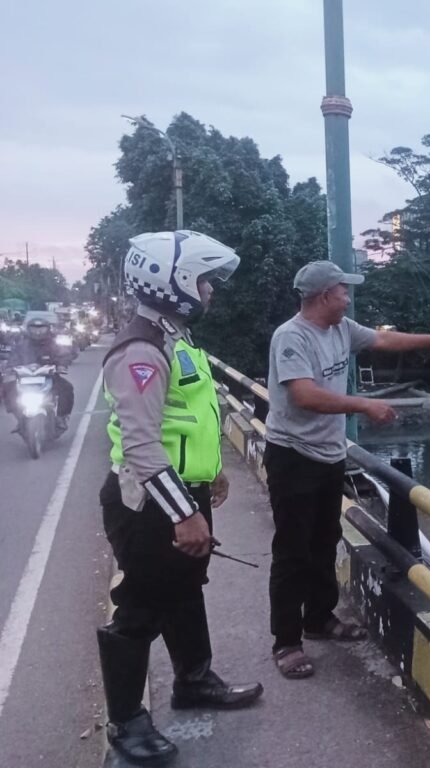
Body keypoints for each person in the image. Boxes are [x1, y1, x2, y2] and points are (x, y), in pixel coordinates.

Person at [97, 231, 263, 766]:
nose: (211, 289)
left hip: (179, 493)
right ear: (173, 281)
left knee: (185, 590)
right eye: (205, 279)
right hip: (149, 504)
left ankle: (193, 680)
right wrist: (184, 512)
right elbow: (143, 446)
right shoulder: (141, 349)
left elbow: (189, 416)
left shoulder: (174, 335)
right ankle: (127, 724)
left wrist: (209, 475)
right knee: (141, 609)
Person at [264, 260, 430, 679]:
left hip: (328, 452)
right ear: (324, 296)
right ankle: (286, 642)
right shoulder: (291, 337)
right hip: (293, 455)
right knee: (293, 550)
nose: (348, 296)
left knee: (325, 539)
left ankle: (319, 619)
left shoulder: (342, 328)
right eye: (343, 290)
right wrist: (364, 404)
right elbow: (304, 395)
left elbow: (386, 341)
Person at [2, 314, 74, 430]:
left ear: (48, 329)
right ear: (28, 330)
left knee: (67, 388)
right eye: (34, 329)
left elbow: (64, 355)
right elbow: (13, 358)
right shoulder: (22, 345)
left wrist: (61, 365)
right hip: (25, 379)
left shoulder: (53, 345)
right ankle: (19, 417)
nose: (38, 332)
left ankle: (61, 417)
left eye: (41, 328)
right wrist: (10, 368)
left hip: (49, 378)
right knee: (8, 388)